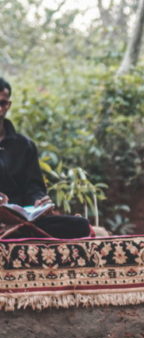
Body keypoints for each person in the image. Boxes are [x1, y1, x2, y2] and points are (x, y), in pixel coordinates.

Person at [0, 77, 91, 238]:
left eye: (2, 103)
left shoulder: (25, 145)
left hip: (22, 220)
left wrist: (39, 200)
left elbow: (34, 187)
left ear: (8, 105)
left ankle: (18, 233)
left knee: (80, 225)